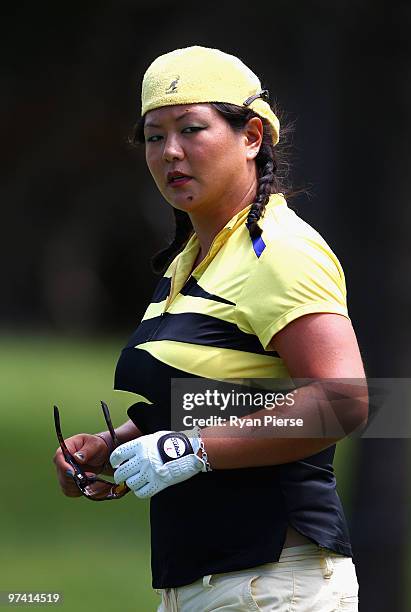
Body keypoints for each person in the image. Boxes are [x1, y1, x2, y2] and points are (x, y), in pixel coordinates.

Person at [53, 45, 368, 611]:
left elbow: (341, 401)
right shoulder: (193, 259)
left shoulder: (279, 251)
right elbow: (231, 393)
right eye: (154, 136)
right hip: (206, 585)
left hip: (273, 586)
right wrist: (119, 443)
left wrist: (187, 448)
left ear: (252, 136)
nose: (170, 152)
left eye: (192, 129)